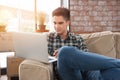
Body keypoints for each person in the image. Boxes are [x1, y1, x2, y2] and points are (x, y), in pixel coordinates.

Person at [47, 7, 120, 80]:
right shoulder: (49, 38)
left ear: (68, 22)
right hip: (69, 74)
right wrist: (60, 56)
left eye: (60, 23)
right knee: (64, 52)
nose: (57, 26)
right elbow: (45, 58)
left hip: (86, 72)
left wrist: (75, 54)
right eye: (54, 23)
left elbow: (86, 60)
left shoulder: (77, 38)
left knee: (112, 72)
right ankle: (117, 62)